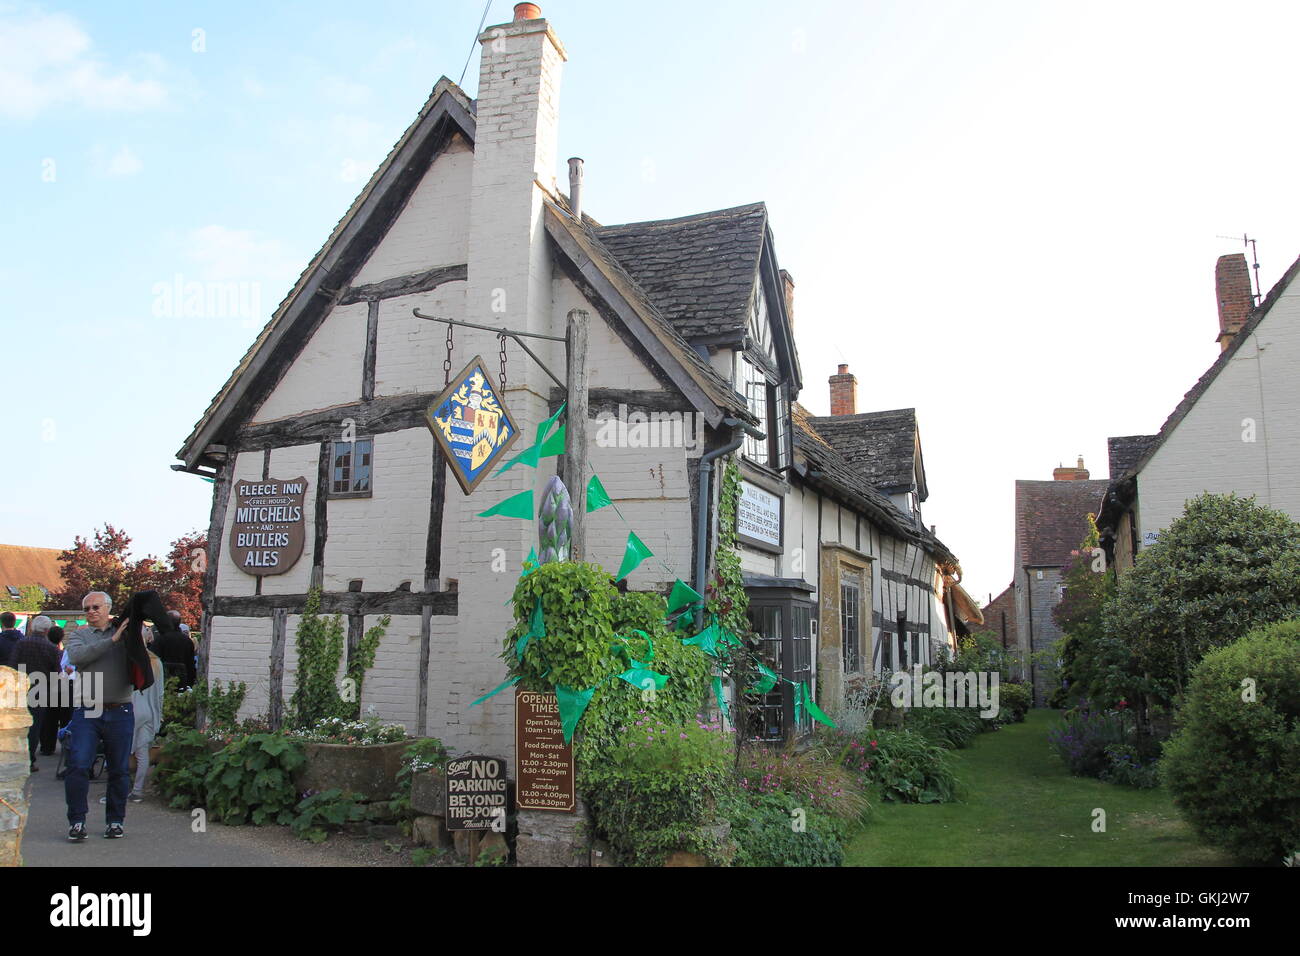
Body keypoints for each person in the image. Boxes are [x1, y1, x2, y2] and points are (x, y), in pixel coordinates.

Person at [63, 591, 135, 842]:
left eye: (96, 607)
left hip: (121, 708)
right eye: (87, 608)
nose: (91, 611)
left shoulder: (126, 633)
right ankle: (77, 821)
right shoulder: (79, 635)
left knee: (119, 769)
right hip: (88, 709)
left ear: (108, 608)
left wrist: (130, 632)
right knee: (79, 766)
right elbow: (78, 657)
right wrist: (112, 640)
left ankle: (115, 821)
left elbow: (142, 652)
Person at [9, 614, 62, 771]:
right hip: (40, 690)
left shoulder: (21, 643)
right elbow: (56, 671)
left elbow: (12, 665)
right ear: (47, 631)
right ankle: (29, 760)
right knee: (34, 726)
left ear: (32, 627)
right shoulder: (51, 648)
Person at [40, 625, 71, 755]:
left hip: (50, 686)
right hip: (65, 687)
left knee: (50, 718)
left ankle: (47, 746)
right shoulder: (62, 653)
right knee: (65, 717)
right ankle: (66, 746)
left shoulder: (44, 650)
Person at [151, 610, 197, 690]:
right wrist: (190, 683)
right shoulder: (187, 641)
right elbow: (191, 664)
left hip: (162, 682)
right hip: (182, 682)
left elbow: (154, 660)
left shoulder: (160, 640)